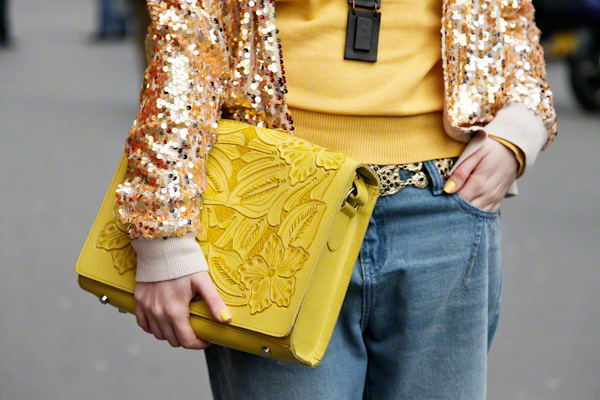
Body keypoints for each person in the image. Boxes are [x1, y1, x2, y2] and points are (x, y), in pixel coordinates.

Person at [115, 0, 557, 398]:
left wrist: (521, 124)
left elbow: (510, 15)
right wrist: (164, 232)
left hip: (445, 200)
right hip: (273, 200)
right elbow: (190, 23)